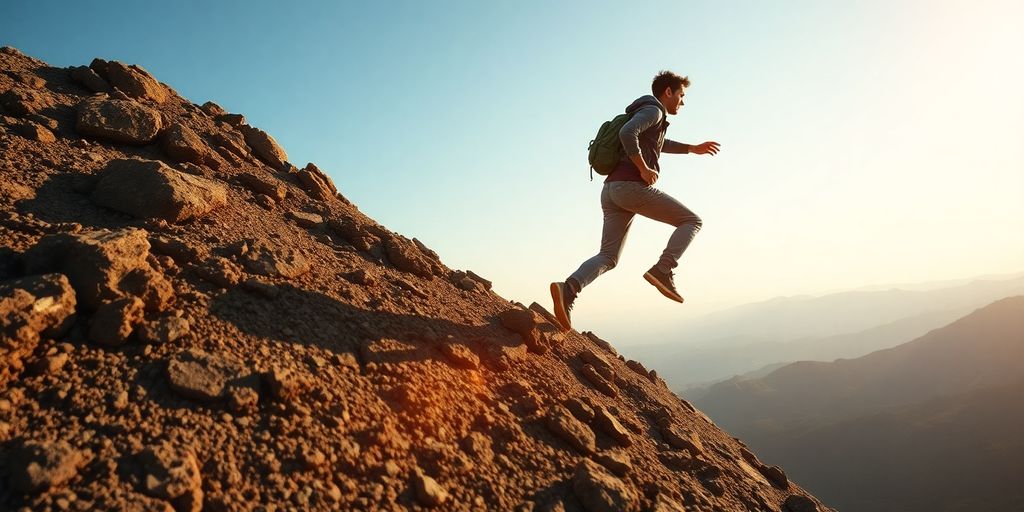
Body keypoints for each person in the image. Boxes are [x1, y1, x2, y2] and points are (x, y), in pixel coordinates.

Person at [550, 70, 720, 331]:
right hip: (630, 187)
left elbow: (658, 143)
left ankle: (568, 289)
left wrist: (691, 148)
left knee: (608, 256)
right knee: (691, 221)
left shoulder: (648, 114)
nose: (682, 102)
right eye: (681, 96)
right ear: (668, 92)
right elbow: (627, 133)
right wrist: (642, 168)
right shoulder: (655, 111)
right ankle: (663, 270)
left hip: (611, 191)